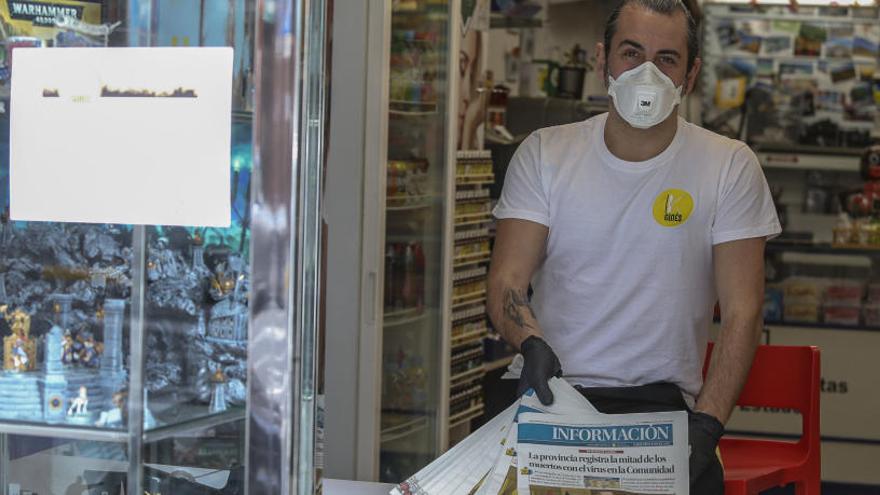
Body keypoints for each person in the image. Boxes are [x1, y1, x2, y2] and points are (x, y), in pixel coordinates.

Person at [486, 0, 781, 492]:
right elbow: (507, 281)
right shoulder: (545, 153)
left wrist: (706, 424)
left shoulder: (729, 166)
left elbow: (743, 314)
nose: (647, 73)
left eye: (667, 58)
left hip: (660, 410)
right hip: (551, 395)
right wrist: (529, 342)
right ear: (603, 61)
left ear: (689, 76)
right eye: (631, 52)